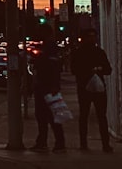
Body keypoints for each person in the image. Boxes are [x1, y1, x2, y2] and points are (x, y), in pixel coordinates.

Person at [70, 29, 113, 153]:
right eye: (90, 37)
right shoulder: (88, 52)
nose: (92, 39)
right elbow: (74, 69)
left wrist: (95, 70)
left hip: (92, 88)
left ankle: (100, 144)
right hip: (90, 88)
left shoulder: (93, 52)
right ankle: (100, 144)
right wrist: (94, 70)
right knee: (92, 116)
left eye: (93, 37)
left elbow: (108, 69)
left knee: (91, 116)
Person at [29, 24, 66, 152]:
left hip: (47, 86)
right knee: (43, 115)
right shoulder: (47, 46)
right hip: (43, 85)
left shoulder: (50, 47)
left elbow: (53, 66)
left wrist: (54, 85)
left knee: (50, 115)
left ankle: (57, 143)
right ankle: (43, 142)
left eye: (40, 32)